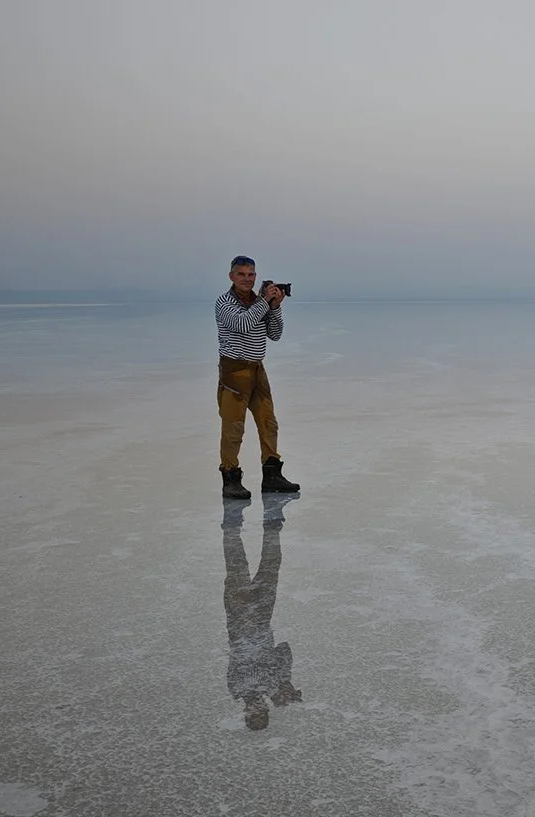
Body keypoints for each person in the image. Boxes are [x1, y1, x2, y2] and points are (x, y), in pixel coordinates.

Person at [216, 255, 299, 498]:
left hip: (257, 370)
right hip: (234, 372)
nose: (247, 279)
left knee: (268, 422)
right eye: (241, 274)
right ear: (231, 276)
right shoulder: (224, 303)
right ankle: (230, 477)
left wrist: (275, 307)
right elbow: (243, 323)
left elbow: (275, 334)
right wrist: (264, 301)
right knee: (233, 428)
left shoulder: (258, 302)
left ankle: (272, 475)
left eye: (251, 275)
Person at [221, 495, 302, 730]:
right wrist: (284, 681)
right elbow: (284, 649)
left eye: (253, 713)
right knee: (271, 562)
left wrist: (279, 686)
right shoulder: (272, 685)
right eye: (261, 712)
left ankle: (232, 519)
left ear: (246, 712)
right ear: (266, 709)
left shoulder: (237, 689)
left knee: (236, 563)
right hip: (262, 615)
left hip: (237, 614)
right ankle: (272, 517)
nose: (257, 709)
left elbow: (244, 662)